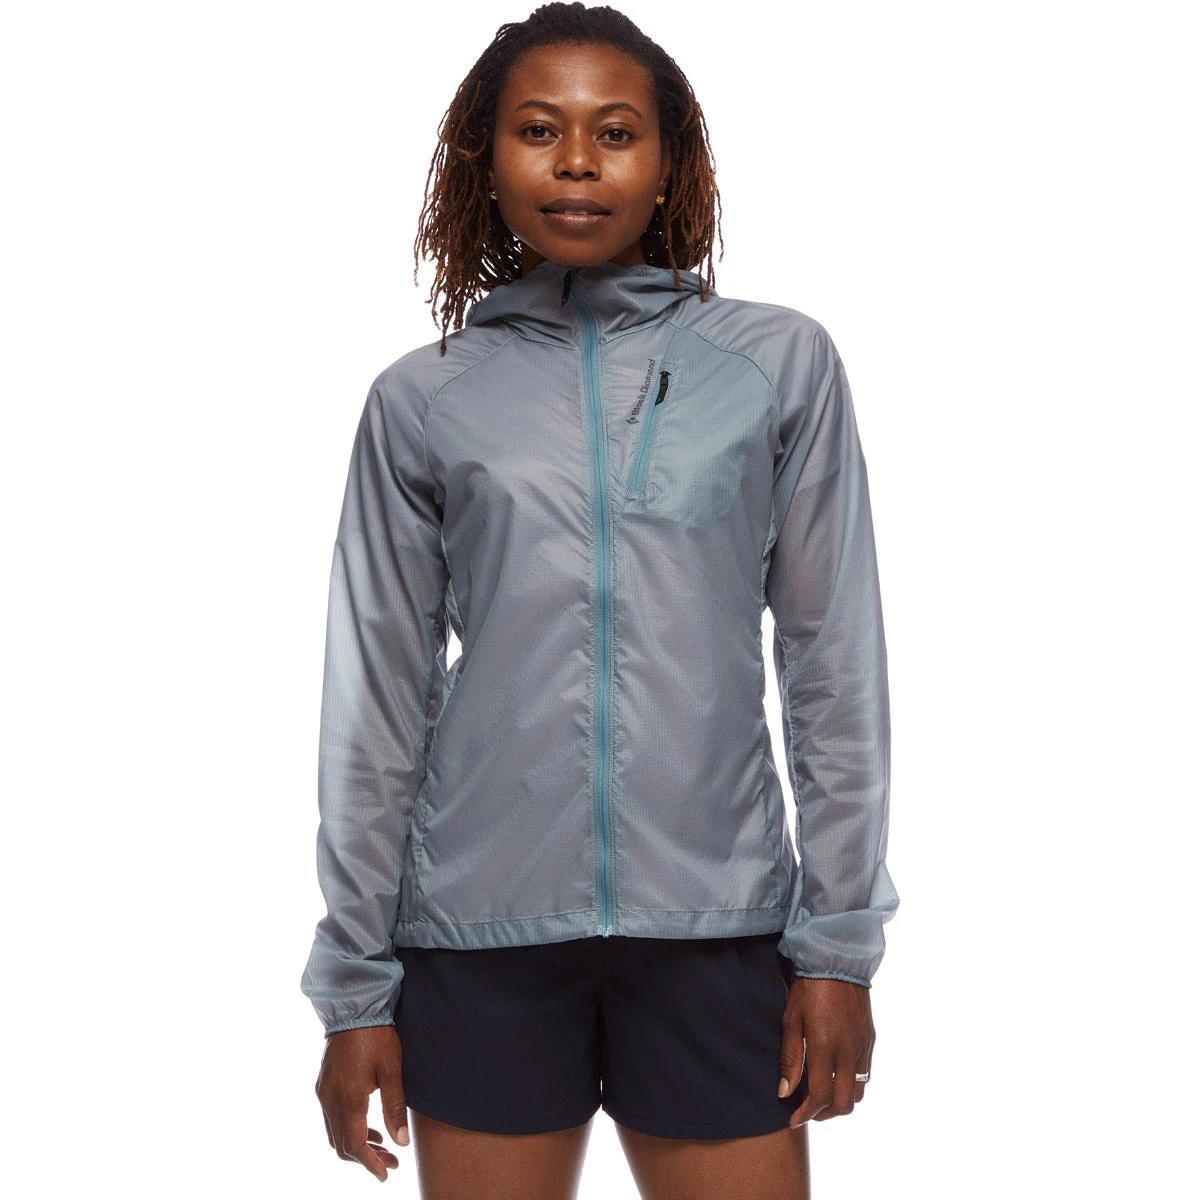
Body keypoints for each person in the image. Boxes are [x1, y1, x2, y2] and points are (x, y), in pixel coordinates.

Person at [300, 4, 899, 1197]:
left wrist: (837, 951)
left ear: (669, 163)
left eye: (616, 132)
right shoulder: (425, 398)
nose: (577, 161)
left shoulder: (776, 364)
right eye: (539, 130)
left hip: (719, 932)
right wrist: (355, 988)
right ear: (485, 160)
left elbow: (834, 668)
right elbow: (376, 704)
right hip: (480, 939)